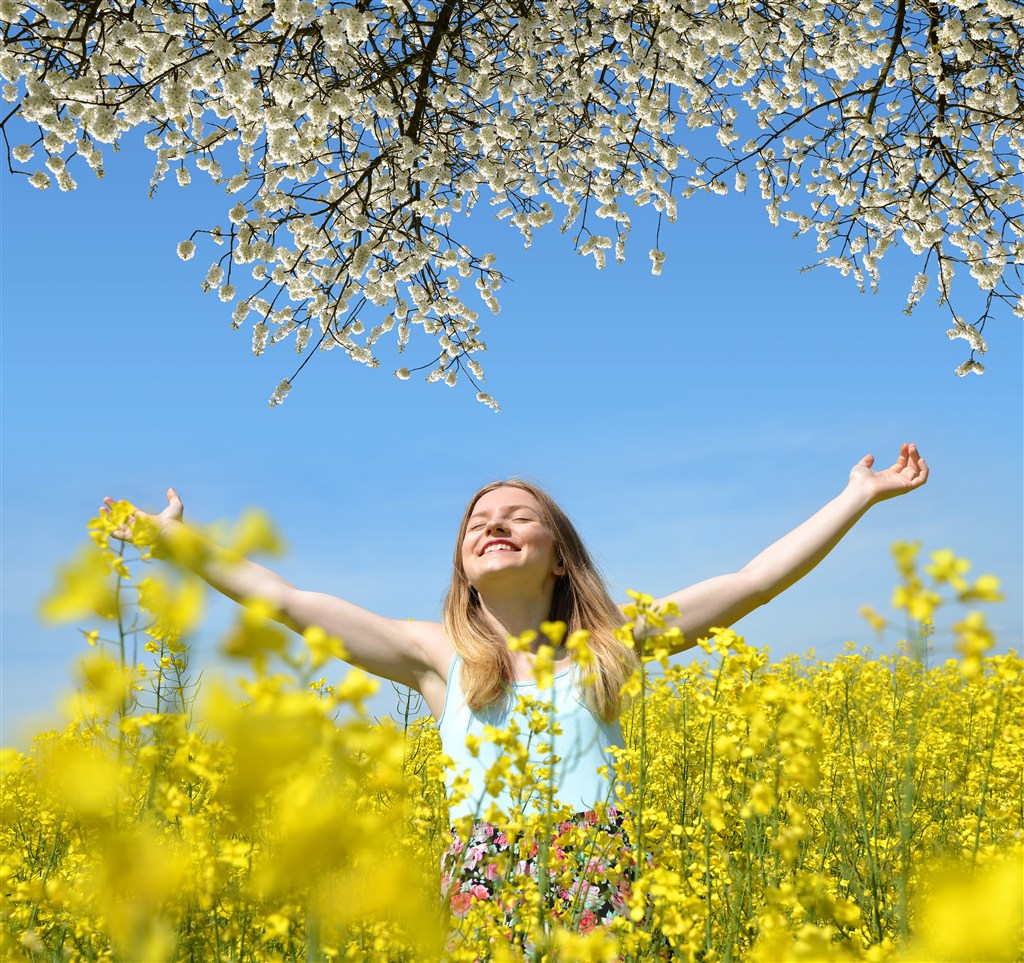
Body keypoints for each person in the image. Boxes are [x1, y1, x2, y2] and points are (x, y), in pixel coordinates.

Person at [103, 443, 928, 934]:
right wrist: (182, 545)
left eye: (517, 515)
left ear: (559, 554)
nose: (493, 523)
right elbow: (287, 602)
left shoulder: (613, 645)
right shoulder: (436, 659)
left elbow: (751, 580)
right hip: (481, 879)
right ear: (463, 560)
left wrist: (857, 494)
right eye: (477, 521)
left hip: (599, 869)